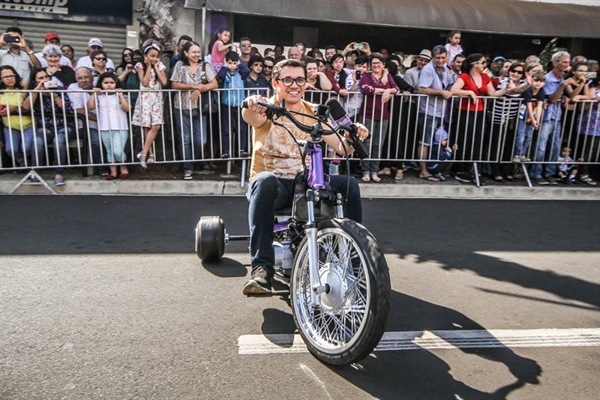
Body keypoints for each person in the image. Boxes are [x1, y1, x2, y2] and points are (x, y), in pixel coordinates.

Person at [240, 58, 369, 294]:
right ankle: (262, 269)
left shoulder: (313, 113)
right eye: (287, 79)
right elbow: (251, 117)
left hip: (306, 185)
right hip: (274, 187)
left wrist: (354, 135)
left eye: (299, 79)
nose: (294, 85)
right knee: (264, 180)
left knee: (348, 184)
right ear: (276, 83)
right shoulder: (267, 108)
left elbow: (342, 148)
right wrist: (251, 105)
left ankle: (354, 261)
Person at [450, 52, 509, 184]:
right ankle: (460, 169)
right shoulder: (465, 76)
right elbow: (453, 90)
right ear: (474, 64)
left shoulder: (485, 77)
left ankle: (472, 169)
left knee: (477, 140)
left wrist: (506, 90)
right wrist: (469, 92)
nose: (484, 65)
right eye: (482, 62)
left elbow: (492, 93)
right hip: (465, 112)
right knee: (464, 139)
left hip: (480, 112)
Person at [171, 41, 219, 179]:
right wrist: (194, 86)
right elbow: (174, 84)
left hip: (200, 108)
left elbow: (214, 83)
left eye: (198, 52)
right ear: (186, 53)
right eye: (193, 52)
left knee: (201, 140)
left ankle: (193, 160)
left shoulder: (205, 66)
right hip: (181, 107)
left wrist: (199, 89)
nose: (196, 54)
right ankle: (188, 168)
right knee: (184, 139)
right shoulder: (180, 66)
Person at [22, 68, 74, 186]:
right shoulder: (34, 92)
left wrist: (54, 96)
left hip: (64, 125)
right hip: (45, 126)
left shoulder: (59, 89)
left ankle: (58, 173)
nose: (44, 80)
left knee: (59, 140)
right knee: (37, 141)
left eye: (46, 77)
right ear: (35, 81)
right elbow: (26, 107)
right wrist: (36, 90)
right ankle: (35, 171)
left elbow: (67, 109)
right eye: (40, 78)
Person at [530, 51, 574, 185]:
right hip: (546, 117)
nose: (568, 65)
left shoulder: (563, 78)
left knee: (555, 147)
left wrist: (579, 84)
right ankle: (536, 173)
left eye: (568, 62)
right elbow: (553, 99)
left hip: (557, 117)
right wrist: (563, 86)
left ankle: (549, 172)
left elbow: (571, 96)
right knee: (541, 146)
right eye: (565, 62)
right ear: (556, 63)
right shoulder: (547, 79)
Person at [359, 53, 399, 182]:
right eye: (374, 63)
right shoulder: (366, 75)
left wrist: (389, 90)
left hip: (383, 115)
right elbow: (365, 89)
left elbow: (396, 89)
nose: (376, 65)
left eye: (379, 63)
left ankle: (374, 171)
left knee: (378, 144)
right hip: (368, 113)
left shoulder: (388, 76)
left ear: (383, 65)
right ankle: (365, 171)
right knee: (366, 143)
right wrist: (385, 90)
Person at [417, 45, 454, 182]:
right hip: (428, 110)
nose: (440, 60)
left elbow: (450, 84)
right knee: (425, 142)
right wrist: (440, 92)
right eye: (437, 58)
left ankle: (435, 168)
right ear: (433, 57)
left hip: (440, 111)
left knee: (435, 141)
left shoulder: (445, 69)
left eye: (443, 58)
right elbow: (422, 89)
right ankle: (423, 170)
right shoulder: (427, 70)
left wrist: (448, 90)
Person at [488, 62, 529, 182]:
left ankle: (506, 171)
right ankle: (495, 171)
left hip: (512, 119)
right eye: (514, 71)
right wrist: (527, 84)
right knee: (496, 145)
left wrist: (527, 84)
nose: (516, 74)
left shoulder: (523, 84)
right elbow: (511, 91)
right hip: (498, 117)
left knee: (509, 145)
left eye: (519, 72)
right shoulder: (504, 82)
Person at [87, 72, 130, 180]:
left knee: (118, 150)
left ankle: (123, 167)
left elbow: (127, 108)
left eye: (111, 82)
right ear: (101, 84)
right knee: (109, 151)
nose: (109, 85)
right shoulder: (100, 96)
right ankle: (113, 172)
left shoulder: (121, 94)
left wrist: (120, 95)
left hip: (120, 127)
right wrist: (94, 94)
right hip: (104, 127)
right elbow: (90, 107)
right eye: (106, 83)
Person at [131, 43, 167, 168]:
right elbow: (145, 82)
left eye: (156, 56)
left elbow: (164, 81)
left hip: (156, 97)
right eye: (151, 56)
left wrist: (156, 67)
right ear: (145, 56)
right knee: (146, 125)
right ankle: (149, 154)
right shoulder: (140, 66)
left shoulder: (160, 65)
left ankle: (144, 152)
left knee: (156, 125)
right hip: (145, 97)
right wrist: (148, 66)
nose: (154, 58)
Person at [67, 67, 106, 174]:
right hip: (84, 126)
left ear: (92, 77)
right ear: (76, 79)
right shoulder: (73, 88)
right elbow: (79, 110)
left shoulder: (99, 85)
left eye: (86, 77)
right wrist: (101, 119)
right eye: (80, 78)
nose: (83, 80)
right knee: (96, 141)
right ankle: (103, 169)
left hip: (106, 125)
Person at [216, 51, 250, 158]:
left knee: (242, 127)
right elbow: (219, 77)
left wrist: (239, 64)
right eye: (230, 63)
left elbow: (247, 71)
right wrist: (224, 67)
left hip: (241, 103)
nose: (232, 66)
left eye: (234, 63)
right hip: (226, 103)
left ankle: (241, 149)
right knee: (226, 128)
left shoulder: (240, 72)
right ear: (226, 62)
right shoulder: (224, 72)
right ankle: (226, 151)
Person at [0, 66, 34, 168]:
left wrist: (13, 108)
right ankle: (23, 164)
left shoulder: (23, 90)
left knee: (26, 148)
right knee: (10, 149)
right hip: (10, 126)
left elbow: (27, 107)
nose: (10, 78)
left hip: (28, 125)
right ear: (1, 79)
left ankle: (28, 166)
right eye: (6, 77)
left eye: (11, 75)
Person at [514, 72, 546, 164]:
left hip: (533, 113)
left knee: (528, 136)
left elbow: (540, 106)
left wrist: (537, 120)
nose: (538, 83)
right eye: (536, 80)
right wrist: (533, 120)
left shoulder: (542, 91)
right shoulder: (528, 91)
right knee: (520, 136)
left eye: (541, 81)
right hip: (524, 114)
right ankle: (517, 154)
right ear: (532, 80)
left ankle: (523, 155)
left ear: (544, 83)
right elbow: (528, 106)